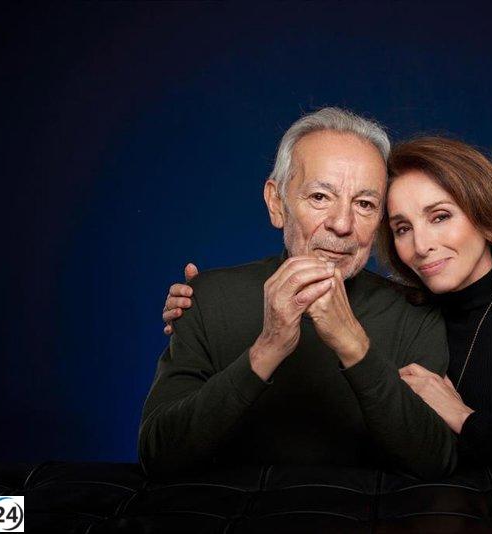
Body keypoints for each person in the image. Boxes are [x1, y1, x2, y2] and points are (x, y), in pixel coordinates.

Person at [163, 135, 492, 492]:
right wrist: (205, 302)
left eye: (440, 217)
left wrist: (463, 418)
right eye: (401, 228)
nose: (421, 245)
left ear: (485, 215)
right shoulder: (420, 300)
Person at [140, 108, 456, 480]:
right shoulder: (206, 298)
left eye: (365, 204)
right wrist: (268, 347)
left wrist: (354, 346)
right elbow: (157, 457)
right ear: (277, 203)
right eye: (321, 197)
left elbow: (437, 462)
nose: (342, 225)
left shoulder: (414, 312)